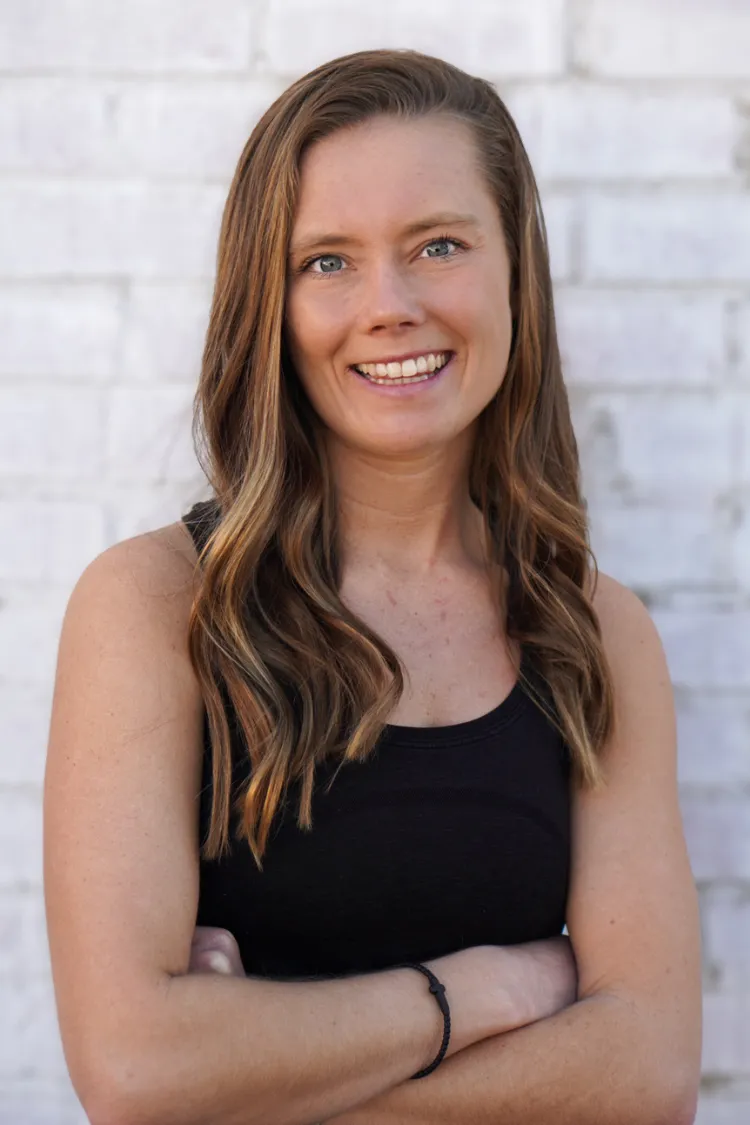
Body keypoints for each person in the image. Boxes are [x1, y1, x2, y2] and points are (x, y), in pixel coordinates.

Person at [43, 48, 702, 1125]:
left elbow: (650, 1071)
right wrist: (485, 995)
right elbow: (136, 1070)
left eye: (438, 245)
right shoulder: (156, 607)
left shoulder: (591, 630)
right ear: (270, 302)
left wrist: (258, 1080)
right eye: (327, 262)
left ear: (512, 275)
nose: (389, 306)